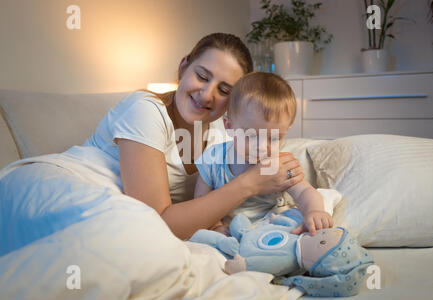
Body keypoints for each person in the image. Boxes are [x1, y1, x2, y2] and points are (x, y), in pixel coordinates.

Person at [0, 33, 304, 256]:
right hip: (57, 185)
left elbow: (244, 176)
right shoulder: (144, 109)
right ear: (183, 67)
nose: (208, 94)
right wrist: (250, 184)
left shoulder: (221, 135)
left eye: (224, 89)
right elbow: (157, 222)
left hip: (123, 211)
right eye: (201, 75)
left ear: (235, 103)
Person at [194, 72, 333, 236]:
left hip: (270, 227)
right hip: (229, 230)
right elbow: (200, 202)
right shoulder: (213, 159)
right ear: (229, 126)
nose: (261, 147)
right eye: (251, 135)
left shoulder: (279, 166)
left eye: (274, 137)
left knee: (301, 229)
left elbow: (305, 192)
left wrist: (314, 211)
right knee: (204, 237)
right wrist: (216, 225)